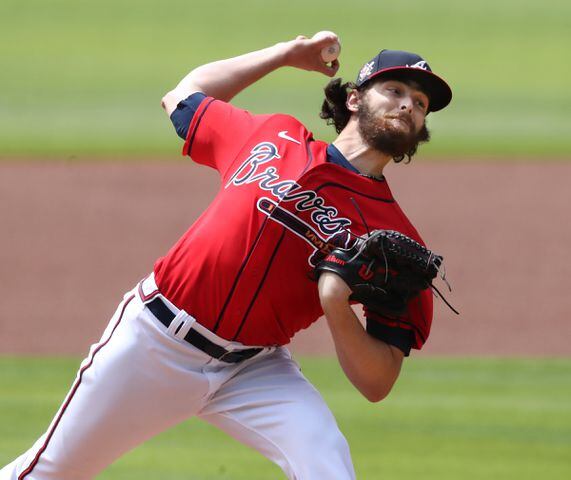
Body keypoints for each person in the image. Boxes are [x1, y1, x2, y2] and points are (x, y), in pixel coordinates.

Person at [1, 32, 452, 480]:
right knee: (51, 472)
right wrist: (283, 55)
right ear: (354, 99)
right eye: (394, 90)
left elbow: (378, 381)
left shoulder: (395, 238)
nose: (408, 105)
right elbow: (183, 95)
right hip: (156, 342)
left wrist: (335, 302)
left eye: (420, 102)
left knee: (326, 461)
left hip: (254, 368)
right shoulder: (274, 135)